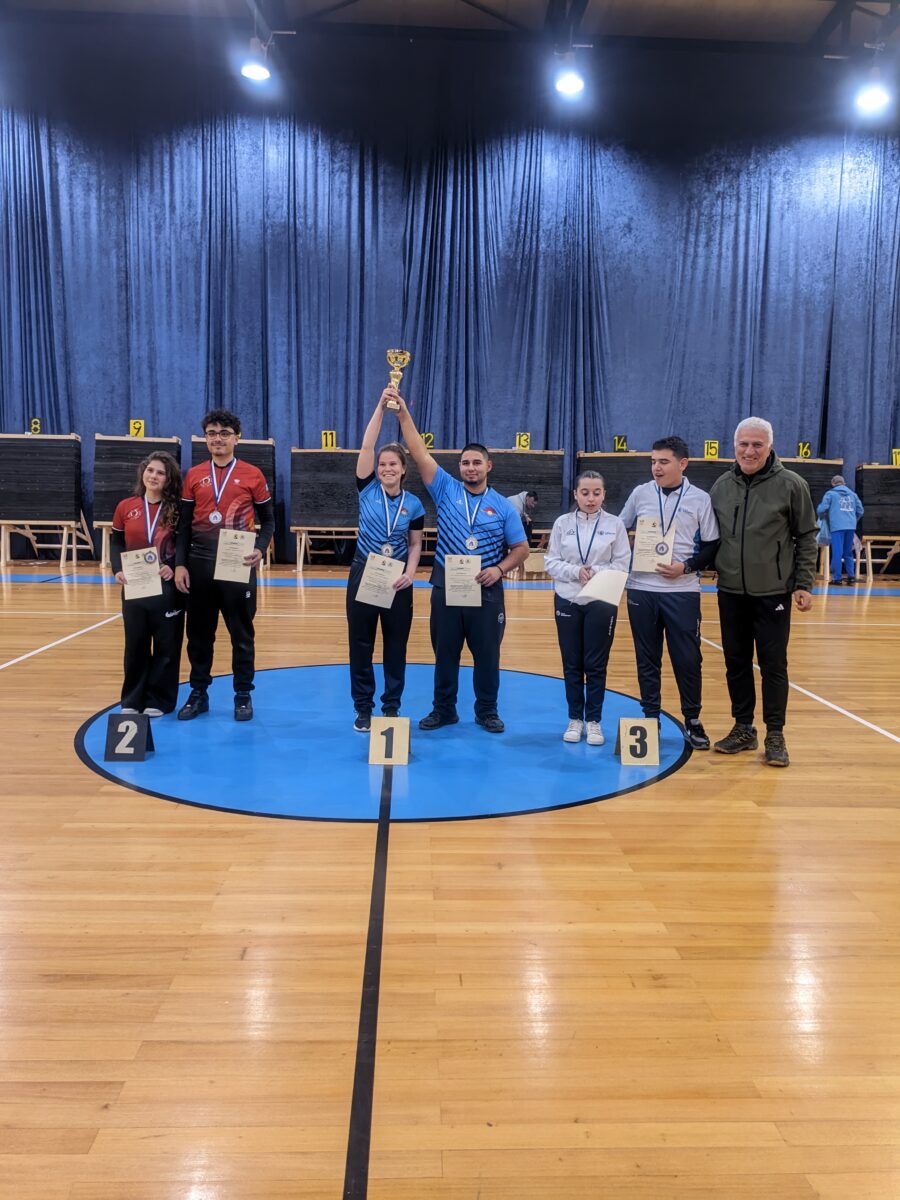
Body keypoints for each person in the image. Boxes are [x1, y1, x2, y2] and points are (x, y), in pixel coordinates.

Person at [391, 388, 530, 732]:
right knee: (445, 654)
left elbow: (521, 549)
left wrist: (499, 569)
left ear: (488, 466)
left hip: (486, 590)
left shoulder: (503, 506)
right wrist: (402, 412)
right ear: (460, 467)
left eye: (476, 462)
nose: (470, 468)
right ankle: (444, 710)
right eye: (466, 463)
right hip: (447, 588)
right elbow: (419, 451)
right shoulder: (445, 488)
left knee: (488, 656)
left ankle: (487, 711)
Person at [709, 417, 817, 767]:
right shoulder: (722, 486)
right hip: (730, 591)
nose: (749, 451)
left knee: (773, 665)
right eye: (743, 444)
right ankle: (743, 728)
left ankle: (775, 733)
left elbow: (807, 535)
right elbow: (710, 537)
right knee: (735, 662)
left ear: (770, 447)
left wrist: (803, 583)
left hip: (773, 593)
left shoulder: (792, 484)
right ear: (734, 446)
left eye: (757, 444)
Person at [617, 437, 720, 749]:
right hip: (641, 589)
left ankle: (692, 718)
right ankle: (650, 718)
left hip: (682, 591)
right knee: (647, 658)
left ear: (682, 463)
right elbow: (618, 530)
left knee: (688, 659)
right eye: (653, 462)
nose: (656, 468)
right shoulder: (640, 493)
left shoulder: (700, 498)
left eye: (663, 462)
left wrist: (686, 567)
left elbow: (712, 546)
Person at [174, 410, 275, 722]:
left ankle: (243, 694)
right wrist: (180, 565)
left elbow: (269, 521)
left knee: (242, 635)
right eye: (212, 433)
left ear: (237, 438)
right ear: (205, 438)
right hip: (200, 564)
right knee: (199, 635)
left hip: (237, 564)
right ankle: (198, 693)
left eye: (224, 433)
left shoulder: (253, 475)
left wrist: (260, 548)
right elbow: (183, 526)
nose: (218, 438)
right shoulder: (193, 476)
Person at [348, 399, 425, 732]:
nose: (387, 469)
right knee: (361, 644)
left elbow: (415, 544)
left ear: (403, 469)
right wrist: (380, 408)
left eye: (393, 464)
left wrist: (410, 573)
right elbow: (367, 445)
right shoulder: (366, 489)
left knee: (395, 646)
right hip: (364, 572)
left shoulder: (414, 504)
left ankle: (391, 706)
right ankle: (363, 708)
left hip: (397, 580)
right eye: (382, 464)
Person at [544, 471, 631, 745]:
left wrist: (595, 572)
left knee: (596, 664)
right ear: (576, 494)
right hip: (568, 599)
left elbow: (622, 564)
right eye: (585, 493)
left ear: (604, 495)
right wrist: (575, 571)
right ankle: (574, 719)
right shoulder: (562, 524)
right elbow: (551, 562)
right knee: (572, 664)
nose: (590, 498)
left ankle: (594, 721)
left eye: (596, 493)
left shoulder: (615, 524)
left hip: (601, 600)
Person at [111, 452, 185, 717]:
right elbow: (116, 542)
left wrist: (173, 565)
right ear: (143, 472)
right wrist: (118, 569)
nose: (154, 476)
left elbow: (185, 543)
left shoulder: (178, 509)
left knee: (167, 645)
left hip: (166, 586)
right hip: (135, 584)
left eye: (160, 473)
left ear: (169, 479)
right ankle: (132, 699)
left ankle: (160, 700)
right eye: (150, 470)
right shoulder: (125, 506)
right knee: (135, 644)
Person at [817, 474, 863, 585]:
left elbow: (821, 509)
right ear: (844, 483)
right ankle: (851, 576)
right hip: (850, 527)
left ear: (833, 484)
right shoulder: (853, 495)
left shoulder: (830, 494)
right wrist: (853, 520)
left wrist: (822, 516)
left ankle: (837, 578)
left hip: (837, 527)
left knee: (837, 552)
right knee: (848, 552)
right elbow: (860, 511)